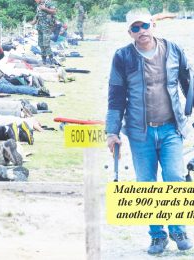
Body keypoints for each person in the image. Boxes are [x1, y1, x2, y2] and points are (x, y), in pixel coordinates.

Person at [106, 10, 193, 255]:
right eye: (136, 28)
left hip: (171, 128)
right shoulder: (122, 56)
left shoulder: (174, 49)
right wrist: (112, 132)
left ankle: (179, 229)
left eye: (145, 25)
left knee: (175, 177)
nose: (141, 31)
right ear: (129, 32)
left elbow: (189, 84)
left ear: (153, 25)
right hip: (139, 132)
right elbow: (115, 97)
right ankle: (157, 235)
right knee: (146, 183)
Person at [30, 0, 56, 65]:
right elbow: (38, 15)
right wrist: (33, 22)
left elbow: (54, 12)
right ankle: (44, 60)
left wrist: (44, 8)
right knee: (41, 44)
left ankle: (51, 60)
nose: (35, 1)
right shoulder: (39, 5)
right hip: (40, 28)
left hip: (47, 27)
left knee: (46, 44)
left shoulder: (49, 3)